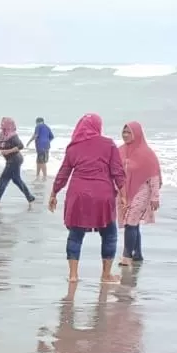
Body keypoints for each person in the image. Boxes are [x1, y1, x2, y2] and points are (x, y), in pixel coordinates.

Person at [50, 114, 125, 283]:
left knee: (75, 235)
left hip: (78, 195)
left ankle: (73, 275)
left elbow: (63, 173)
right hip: (102, 195)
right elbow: (117, 171)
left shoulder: (73, 147)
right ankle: (106, 275)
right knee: (109, 234)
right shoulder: (109, 144)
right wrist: (124, 194)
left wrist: (54, 192)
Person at [117, 121, 161, 265]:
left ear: (137, 134)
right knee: (133, 223)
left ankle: (127, 256)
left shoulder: (147, 153)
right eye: (124, 132)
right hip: (124, 192)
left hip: (142, 190)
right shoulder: (120, 150)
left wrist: (155, 197)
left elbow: (154, 176)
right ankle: (138, 254)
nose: (125, 135)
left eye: (129, 132)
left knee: (131, 222)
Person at [0, 116, 36, 208]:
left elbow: (20, 146)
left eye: (4, 123)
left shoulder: (13, 135)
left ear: (9, 125)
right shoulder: (2, 134)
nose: (2, 124)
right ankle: (30, 197)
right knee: (16, 180)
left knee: (3, 179)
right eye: (2, 122)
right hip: (11, 160)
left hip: (15, 159)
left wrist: (7, 151)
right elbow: (3, 144)